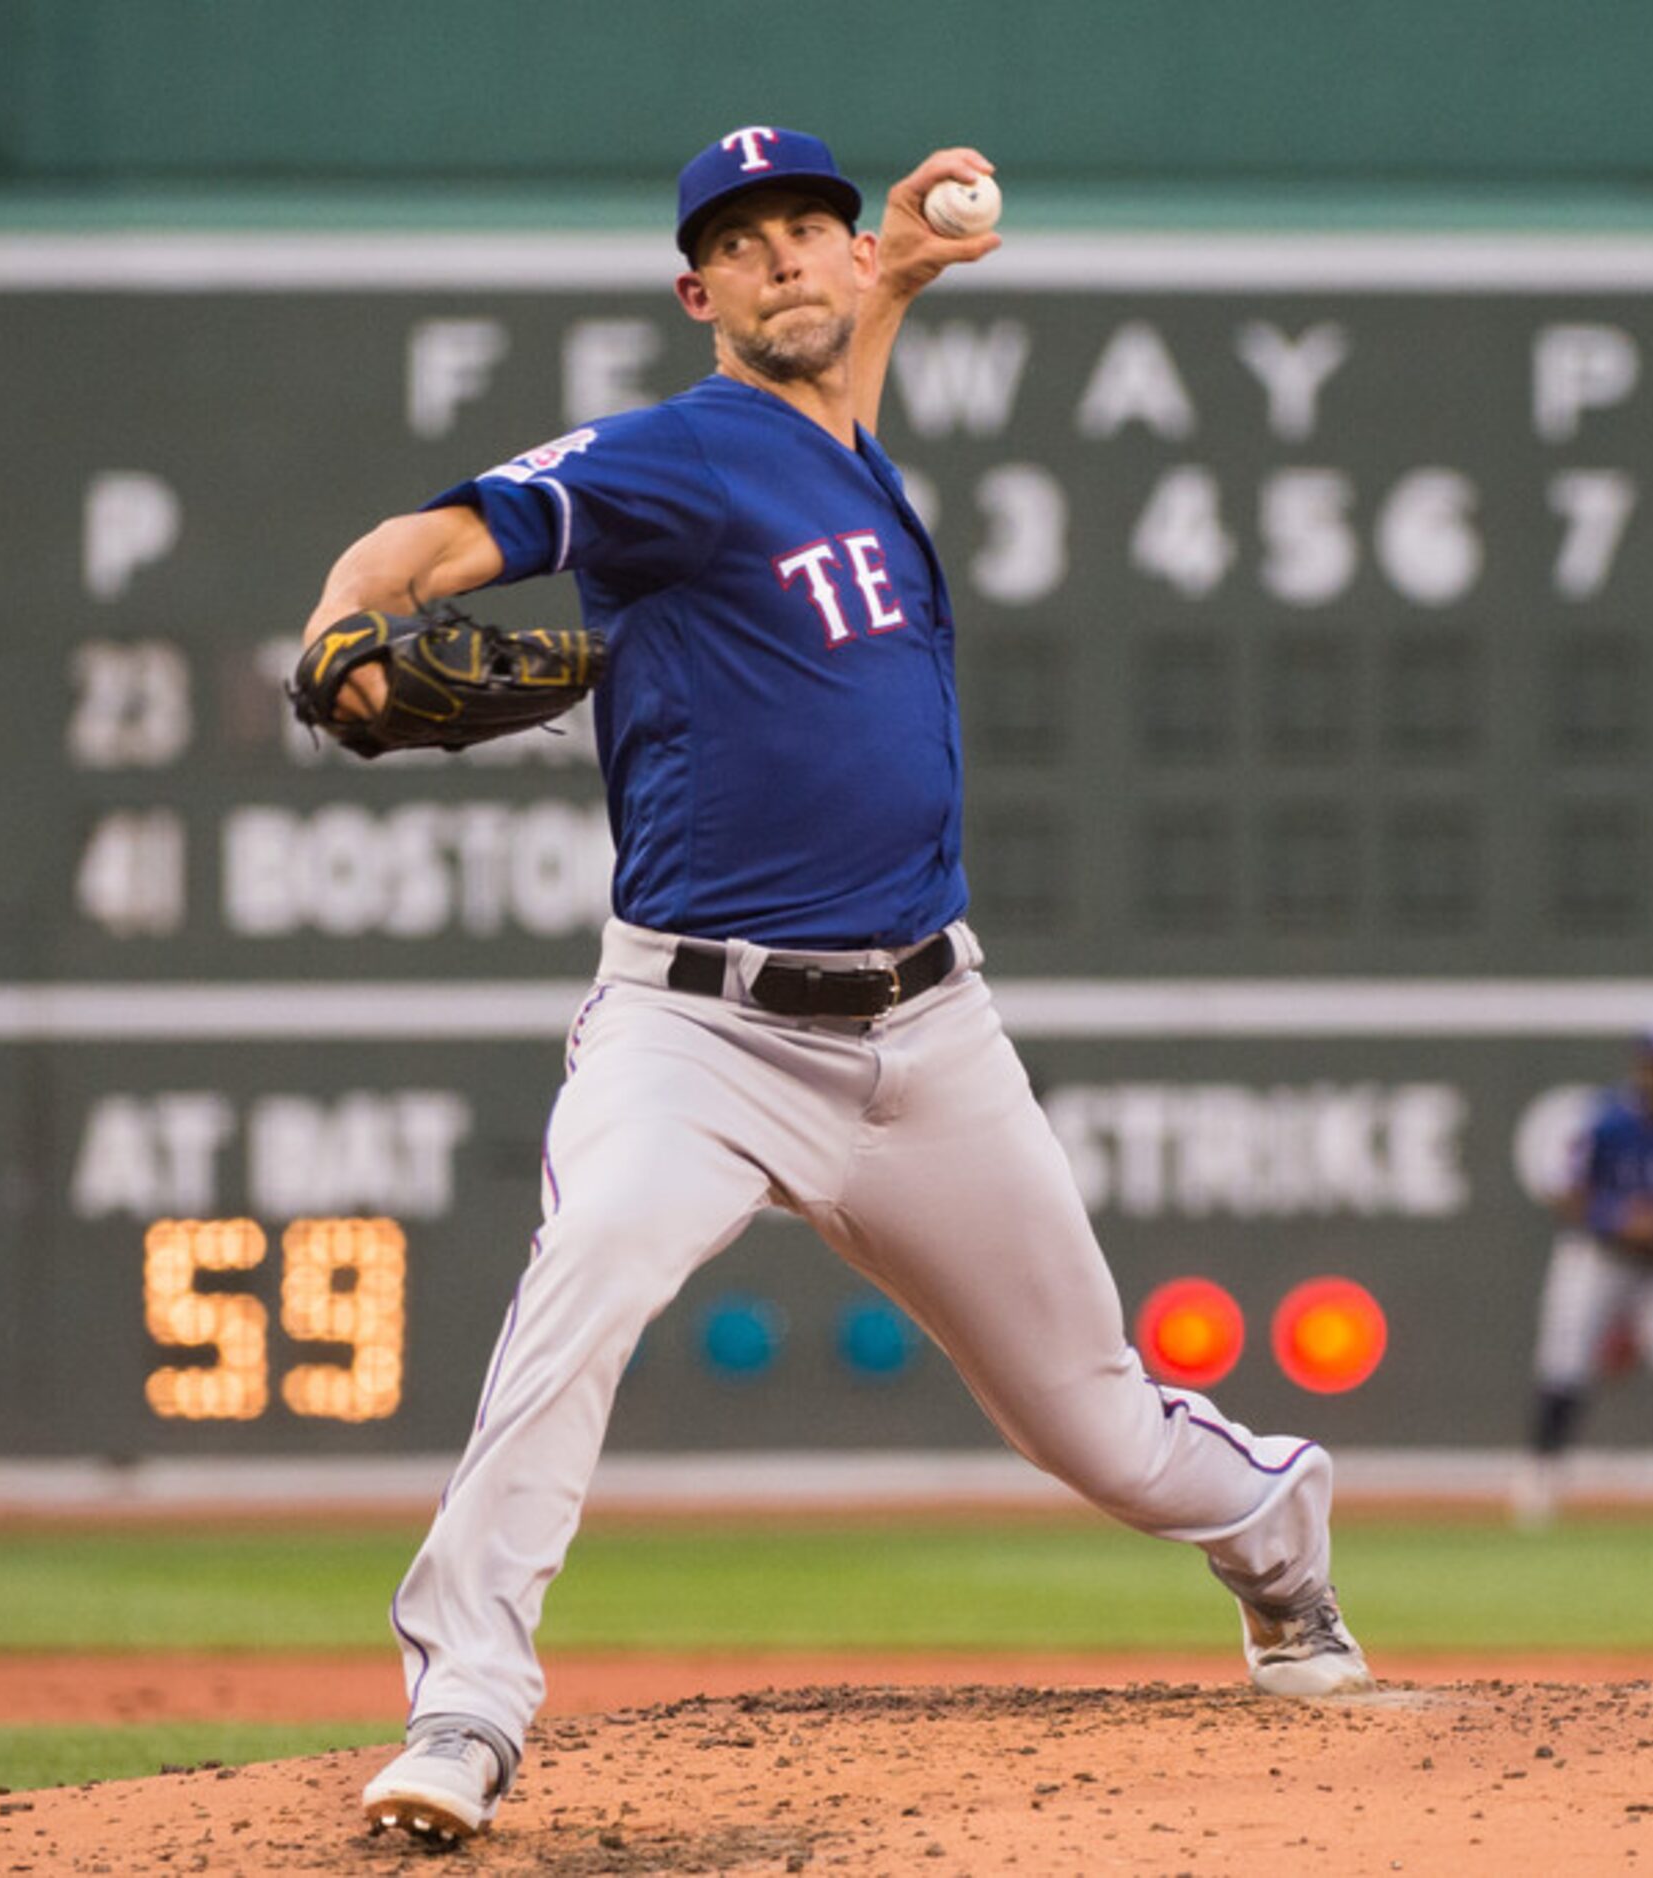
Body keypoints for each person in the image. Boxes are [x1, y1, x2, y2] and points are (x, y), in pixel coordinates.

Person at [324, 127, 1370, 1846]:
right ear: (698, 291)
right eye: (749, 244)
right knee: (588, 1270)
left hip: (929, 1031)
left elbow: (839, 365)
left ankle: (1278, 1543)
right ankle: (466, 1703)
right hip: (699, 1030)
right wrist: (341, 621)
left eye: (812, 229)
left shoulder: (839, 445)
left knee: (1100, 1426)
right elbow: (439, 536)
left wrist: (900, 263)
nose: (793, 258)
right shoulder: (677, 458)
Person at [1510, 1024, 1653, 1532]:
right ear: (1641, 1062)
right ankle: (1542, 1474)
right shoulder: (1608, 1122)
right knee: (1565, 1360)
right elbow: (1568, 1192)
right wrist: (1620, 1219)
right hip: (1599, 1256)